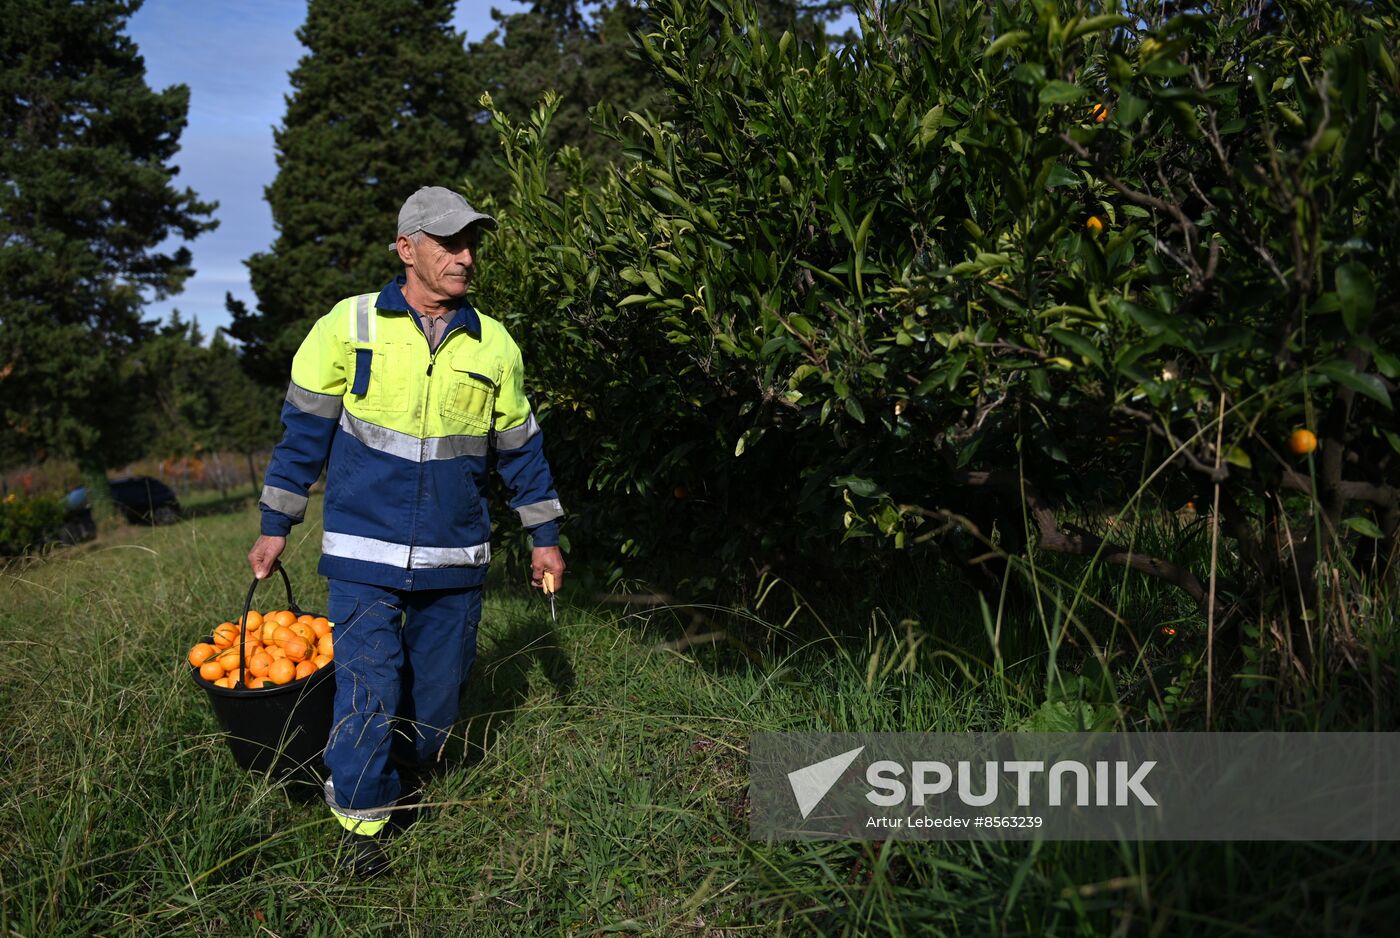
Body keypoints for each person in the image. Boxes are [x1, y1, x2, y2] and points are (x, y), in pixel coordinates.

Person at [247, 186, 566, 875]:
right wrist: (277, 524)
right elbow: (303, 434)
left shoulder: (494, 343)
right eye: (449, 243)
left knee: (434, 704)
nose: (465, 257)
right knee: (368, 690)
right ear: (406, 248)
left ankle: (395, 777)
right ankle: (361, 833)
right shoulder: (349, 325)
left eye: (470, 243)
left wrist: (544, 536)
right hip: (362, 555)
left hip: (456, 558)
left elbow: (521, 450)